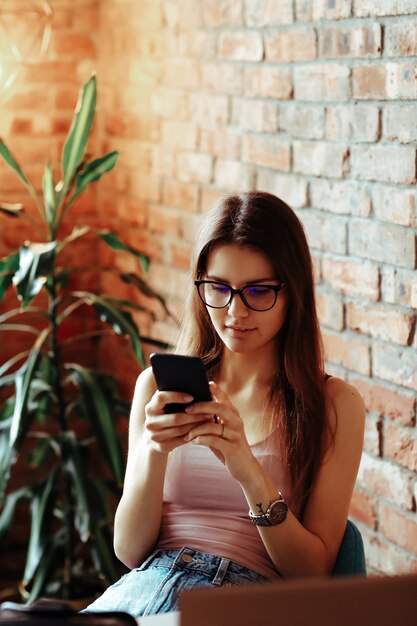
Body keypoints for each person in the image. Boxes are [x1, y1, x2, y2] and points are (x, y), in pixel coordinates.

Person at [84, 191, 365, 617]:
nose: (235, 311)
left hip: (243, 598)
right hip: (147, 586)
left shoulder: (334, 404)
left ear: (293, 292)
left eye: (257, 291)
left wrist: (248, 471)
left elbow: (313, 572)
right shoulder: (157, 388)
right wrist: (154, 452)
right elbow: (129, 549)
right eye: (219, 288)